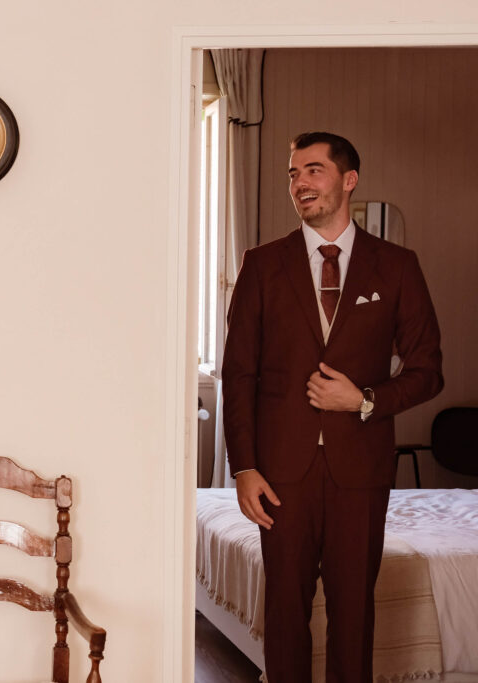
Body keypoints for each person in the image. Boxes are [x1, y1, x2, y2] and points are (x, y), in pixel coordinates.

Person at [221, 132, 443, 682]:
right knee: (284, 612)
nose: (300, 183)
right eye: (293, 174)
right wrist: (244, 467)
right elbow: (239, 375)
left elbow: (427, 371)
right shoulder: (261, 265)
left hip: (361, 470)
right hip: (280, 473)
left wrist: (363, 400)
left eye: (313, 170)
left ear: (349, 180)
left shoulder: (397, 266)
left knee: (354, 612)